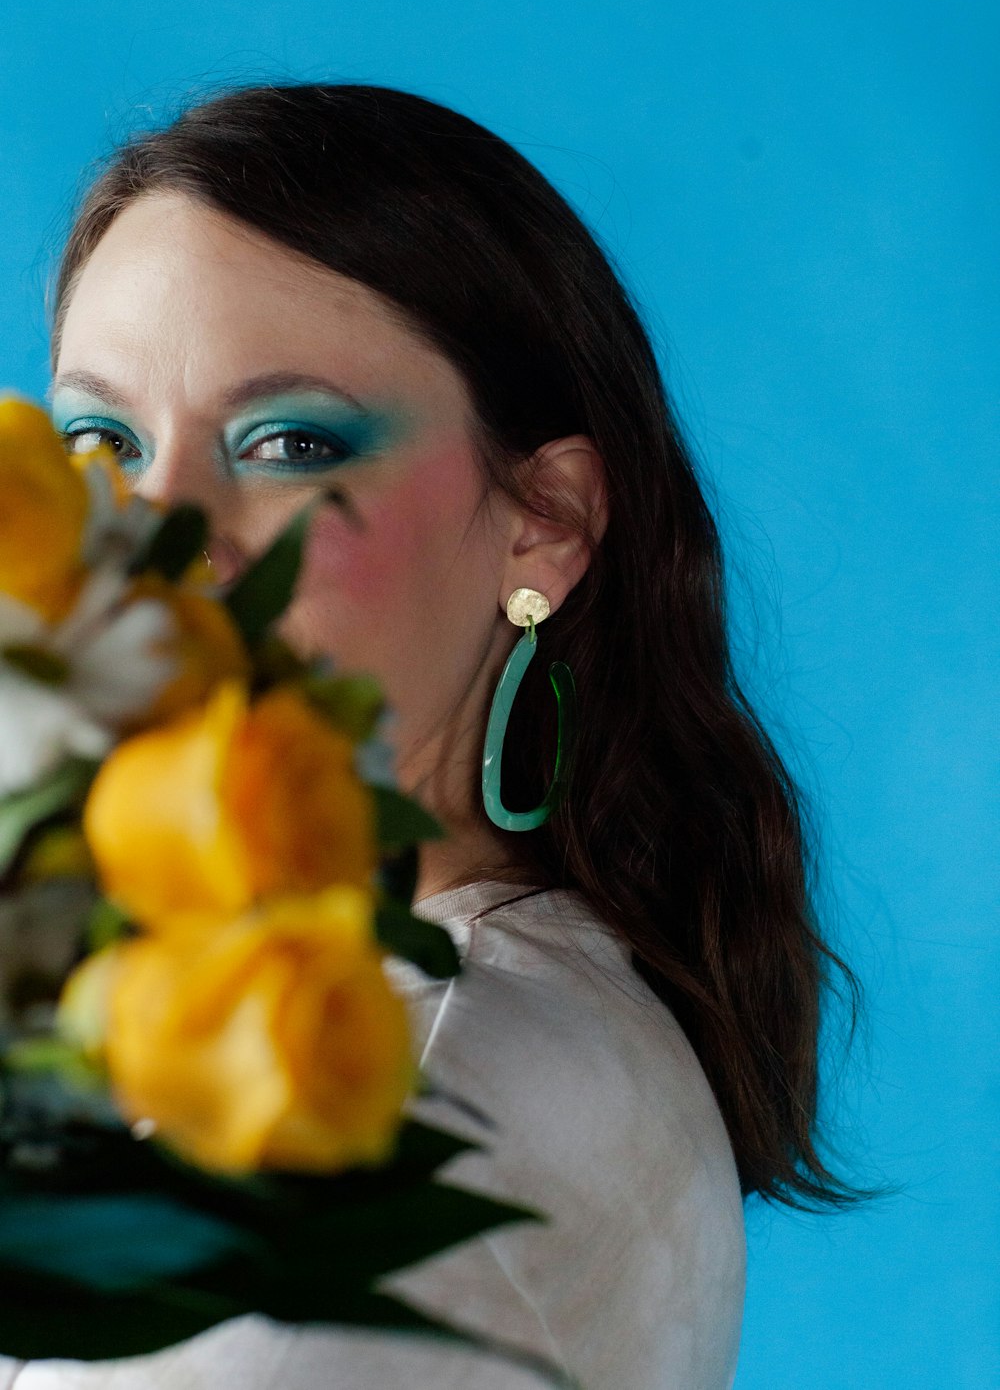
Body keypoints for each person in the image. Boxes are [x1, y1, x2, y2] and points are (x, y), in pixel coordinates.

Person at [0, 82, 865, 1390]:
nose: (160, 535)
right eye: (103, 438)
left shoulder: (395, 1086)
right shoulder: (477, 1002)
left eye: (286, 440)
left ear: (547, 522)